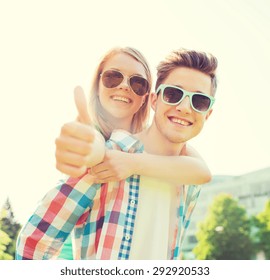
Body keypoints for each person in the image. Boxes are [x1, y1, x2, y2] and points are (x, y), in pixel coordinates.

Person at [16, 47, 217, 260]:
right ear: (154, 100)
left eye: (200, 101)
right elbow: (32, 244)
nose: (185, 107)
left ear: (208, 114)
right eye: (173, 94)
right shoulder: (110, 159)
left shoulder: (189, 180)